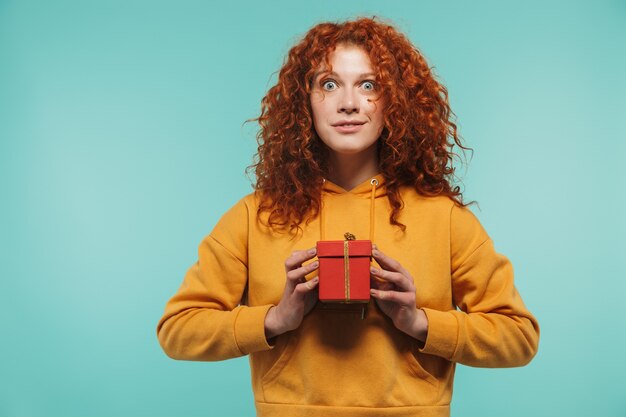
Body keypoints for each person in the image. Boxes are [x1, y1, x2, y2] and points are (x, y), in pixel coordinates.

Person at [156, 15, 540, 417]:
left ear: (396, 101)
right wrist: (275, 319)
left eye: (369, 85)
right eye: (329, 84)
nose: (349, 103)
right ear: (304, 102)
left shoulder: (444, 218)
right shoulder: (255, 215)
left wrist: (420, 322)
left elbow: (519, 337)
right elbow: (177, 330)